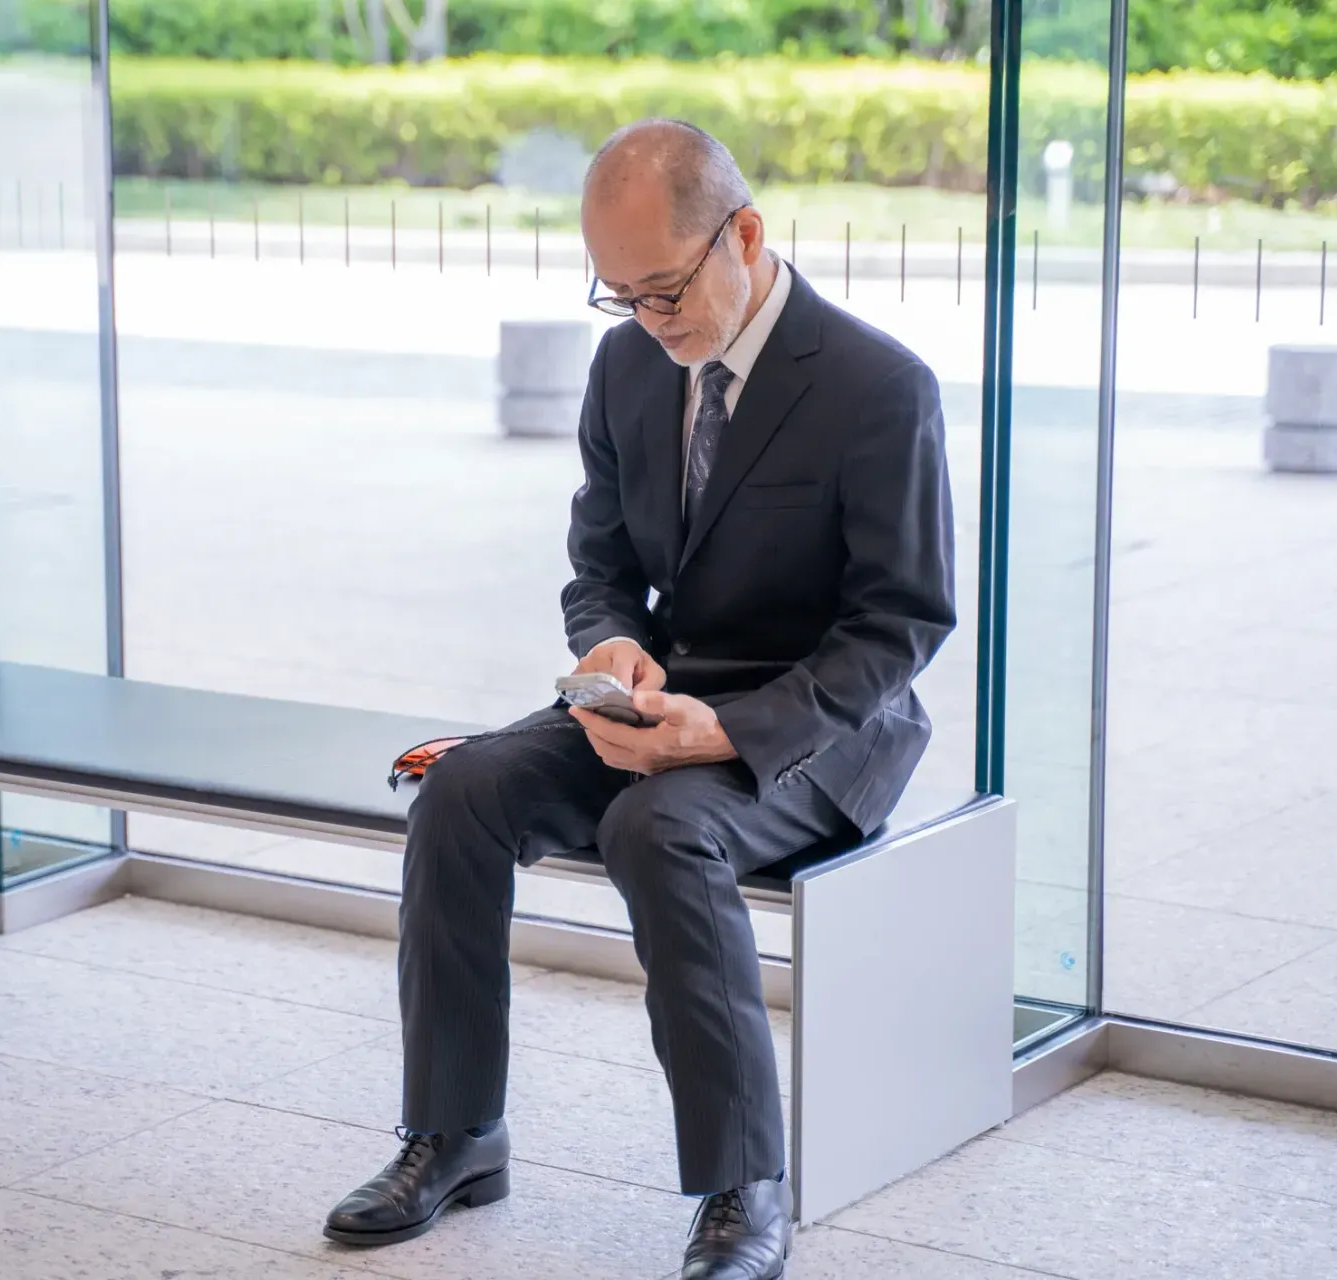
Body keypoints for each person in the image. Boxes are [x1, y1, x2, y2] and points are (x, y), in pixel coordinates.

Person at [323, 118, 956, 1280]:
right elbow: (600, 558)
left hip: (822, 721)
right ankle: (457, 1132)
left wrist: (724, 729)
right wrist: (611, 644)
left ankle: (742, 1188)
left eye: (662, 291)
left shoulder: (877, 387)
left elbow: (901, 623)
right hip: (663, 693)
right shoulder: (629, 362)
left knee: (658, 824)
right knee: (461, 791)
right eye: (618, 296)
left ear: (745, 236)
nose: (647, 322)